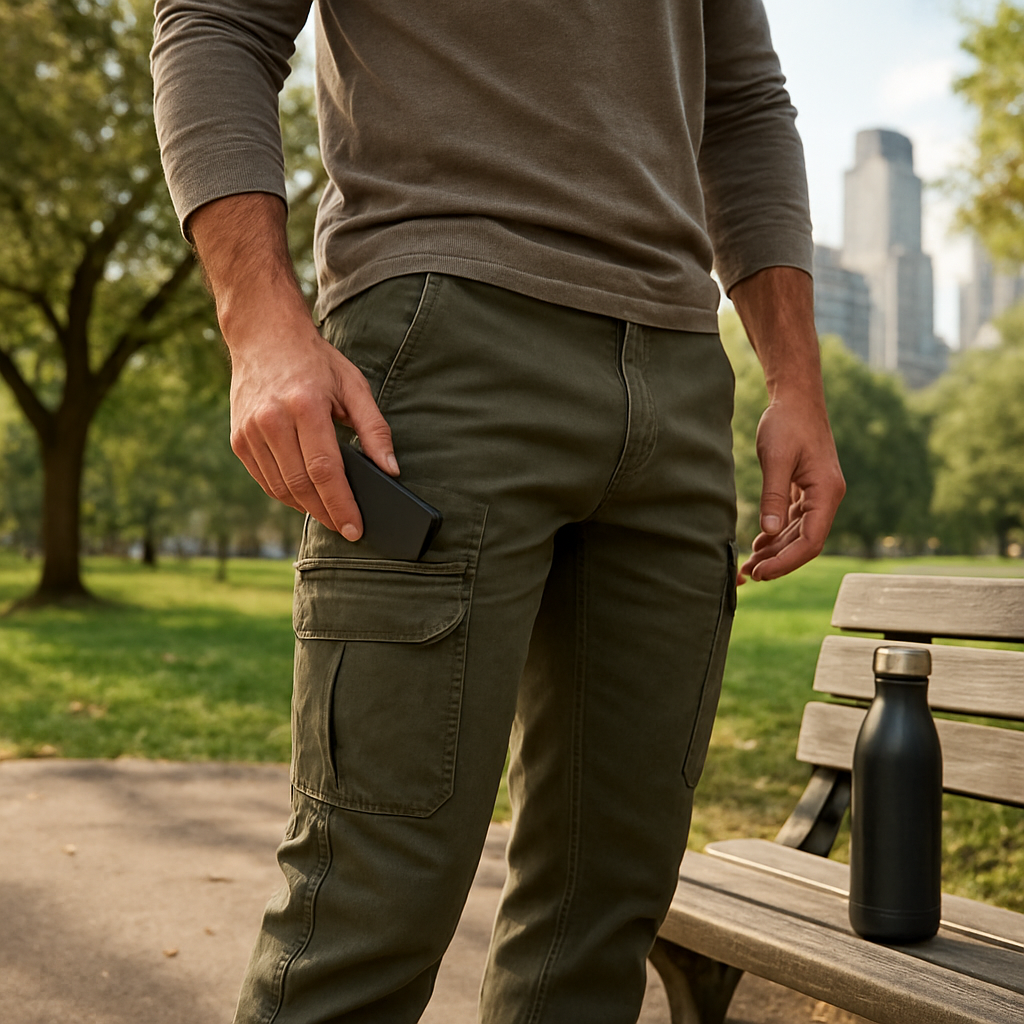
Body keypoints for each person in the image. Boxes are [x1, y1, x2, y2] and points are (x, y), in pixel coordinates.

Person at [152, 2, 845, 1021]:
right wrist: (258, 324)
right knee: (366, 913)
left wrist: (796, 382)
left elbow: (741, 106)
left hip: (679, 376)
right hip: (442, 345)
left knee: (600, 921)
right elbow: (215, 21)